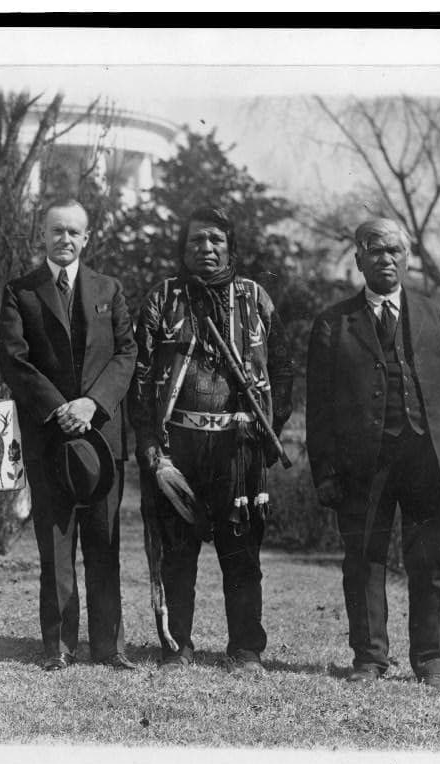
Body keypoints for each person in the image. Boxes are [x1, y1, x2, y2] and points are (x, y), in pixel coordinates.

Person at [306, 218, 440, 689]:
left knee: (433, 562)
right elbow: (318, 409)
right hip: (363, 465)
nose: (387, 259)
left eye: (396, 250)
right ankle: (370, 658)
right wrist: (325, 472)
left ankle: (431, 659)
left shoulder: (434, 314)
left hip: (428, 459)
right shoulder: (334, 323)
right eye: (376, 250)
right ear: (358, 259)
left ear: (408, 257)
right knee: (363, 561)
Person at [128, 206, 293, 673]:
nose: (207, 248)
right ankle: (177, 646)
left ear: (230, 247)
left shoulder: (255, 298)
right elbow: (141, 376)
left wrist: (271, 429)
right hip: (177, 445)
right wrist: (147, 441)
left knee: (241, 550)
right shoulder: (164, 298)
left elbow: (282, 369)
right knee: (176, 551)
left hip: (240, 444)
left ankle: (245, 649)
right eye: (197, 240)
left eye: (216, 240)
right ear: (184, 248)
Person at [0, 199, 138, 671]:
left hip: (102, 437)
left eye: (74, 232)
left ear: (87, 238)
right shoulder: (21, 292)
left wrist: (92, 403)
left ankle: (109, 647)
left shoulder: (109, 289)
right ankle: (58, 646)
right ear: (43, 235)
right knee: (56, 546)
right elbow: (14, 361)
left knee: (104, 543)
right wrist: (60, 408)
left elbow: (126, 354)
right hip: (49, 437)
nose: (65, 239)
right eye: (57, 230)